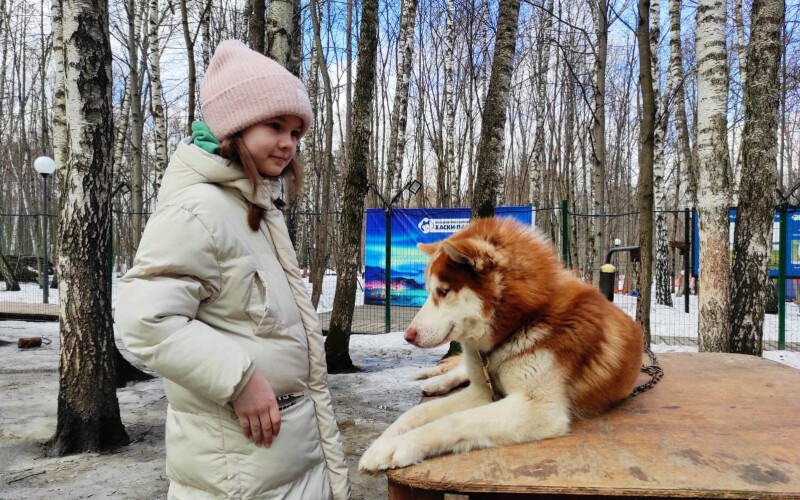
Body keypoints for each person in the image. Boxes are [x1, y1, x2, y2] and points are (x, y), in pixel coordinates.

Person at [115, 40, 351, 500]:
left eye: (297, 132)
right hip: (238, 473)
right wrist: (239, 379)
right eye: (275, 125)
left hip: (282, 459)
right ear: (234, 127)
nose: (288, 143)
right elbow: (145, 320)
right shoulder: (199, 209)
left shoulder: (253, 208)